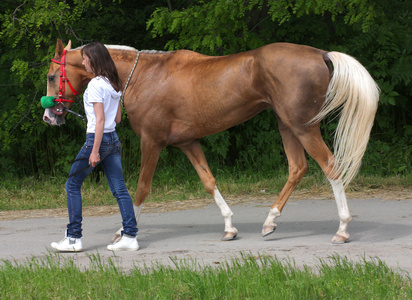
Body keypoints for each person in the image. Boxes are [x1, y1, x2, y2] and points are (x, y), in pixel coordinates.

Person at [51, 42, 138, 252]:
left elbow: (100, 121)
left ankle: (73, 238)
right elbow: (116, 119)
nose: (82, 62)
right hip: (113, 140)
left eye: (85, 59)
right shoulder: (113, 83)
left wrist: (95, 150)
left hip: (97, 141)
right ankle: (130, 236)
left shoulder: (96, 85)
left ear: (94, 60)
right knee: (120, 189)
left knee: (72, 184)